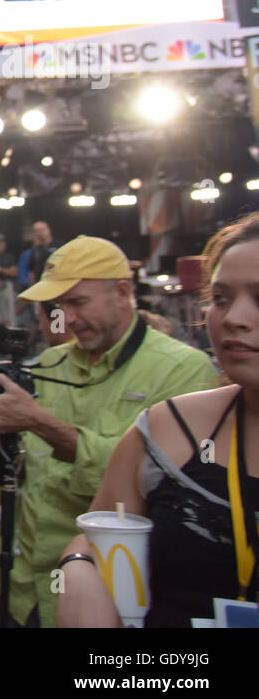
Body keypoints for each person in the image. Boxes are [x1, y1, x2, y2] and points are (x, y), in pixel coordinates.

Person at [0, 235, 218, 627]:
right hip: (13, 580)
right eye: (57, 306)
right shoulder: (50, 362)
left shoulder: (184, 371)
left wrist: (39, 422)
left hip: (101, 595)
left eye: (77, 302)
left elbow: (161, 487)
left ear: (122, 292)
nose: (65, 318)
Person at [57, 213, 259, 626]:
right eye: (220, 298)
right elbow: (96, 536)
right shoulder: (166, 430)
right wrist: (77, 569)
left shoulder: (177, 367)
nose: (235, 318)